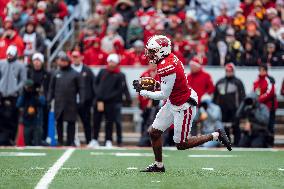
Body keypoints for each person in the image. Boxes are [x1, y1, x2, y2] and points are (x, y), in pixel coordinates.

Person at [133, 35, 231, 172]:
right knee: (154, 132)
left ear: (161, 51)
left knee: (181, 144)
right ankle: (158, 166)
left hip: (183, 105)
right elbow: (167, 86)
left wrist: (145, 93)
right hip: (173, 100)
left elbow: (164, 94)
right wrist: (153, 84)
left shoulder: (166, 65)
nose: (149, 54)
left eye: (152, 51)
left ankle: (216, 135)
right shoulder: (166, 59)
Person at [47, 51, 84, 146]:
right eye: (61, 61)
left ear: (68, 62)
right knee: (59, 122)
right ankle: (59, 141)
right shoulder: (56, 73)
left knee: (71, 122)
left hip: (71, 102)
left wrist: (81, 100)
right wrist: (49, 99)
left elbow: (81, 88)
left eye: (64, 61)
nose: (62, 63)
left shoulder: (75, 74)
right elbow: (51, 88)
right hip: (59, 102)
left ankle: (70, 141)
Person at [91, 54, 127, 148]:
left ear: (116, 63)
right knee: (96, 121)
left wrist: (106, 98)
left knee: (109, 122)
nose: (111, 64)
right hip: (99, 101)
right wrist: (99, 96)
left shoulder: (119, 75)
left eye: (113, 62)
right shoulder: (102, 71)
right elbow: (95, 83)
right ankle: (94, 139)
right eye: (110, 61)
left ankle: (108, 140)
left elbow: (118, 90)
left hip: (110, 103)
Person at [0, 45, 27, 145]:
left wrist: (15, 89)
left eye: (11, 54)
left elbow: (23, 81)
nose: (9, 56)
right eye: (8, 54)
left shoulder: (21, 66)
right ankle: (2, 139)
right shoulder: (1, 63)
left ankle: (11, 139)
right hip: (2, 95)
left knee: (12, 118)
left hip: (14, 96)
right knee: (1, 118)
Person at [213, 63, 245, 145]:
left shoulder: (238, 82)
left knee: (236, 127)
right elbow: (215, 97)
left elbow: (242, 98)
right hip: (222, 110)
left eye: (230, 70)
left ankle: (238, 144)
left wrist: (240, 110)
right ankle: (227, 143)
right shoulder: (220, 82)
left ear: (233, 71)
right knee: (224, 128)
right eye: (227, 70)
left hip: (235, 110)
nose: (229, 72)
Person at [71, 50, 96, 145]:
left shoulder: (87, 70)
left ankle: (89, 140)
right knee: (72, 122)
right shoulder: (69, 69)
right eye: (73, 56)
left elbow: (93, 84)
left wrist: (93, 98)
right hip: (72, 100)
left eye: (77, 56)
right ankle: (73, 140)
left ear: (81, 57)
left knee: (86, 122)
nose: (75, 59)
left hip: (85, 101)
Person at [27, 53, 50, 142]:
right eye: (35, 60)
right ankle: (31, 139)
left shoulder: (47, 73)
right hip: (31, 99)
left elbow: (49, 87)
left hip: (43, 99)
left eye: (38, 60)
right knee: (30, 119)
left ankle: (43, 138)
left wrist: (47, 98)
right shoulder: (29, 72)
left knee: (44, 119)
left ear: (42, 62)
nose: (36, 62)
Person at [253, 64, 278, 146]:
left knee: (270, 125)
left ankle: (270, 142)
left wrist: (259, 99)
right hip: (260, 108)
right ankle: (263, 142)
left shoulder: (270, 80)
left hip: (270, 107)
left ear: (266, 71)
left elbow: (270, 93)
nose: (261, 72)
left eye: (263, 70)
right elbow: (255, 92)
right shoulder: (257, 81)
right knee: (262, 125)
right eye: (260, 70)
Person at [16, 80, 46, 146]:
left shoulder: (37, 95)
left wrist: (39, 93)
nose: (28, 89)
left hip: (37, 123)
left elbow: (42, 103)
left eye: (30, 87)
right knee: (27, 143)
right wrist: (24, 94)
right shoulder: (24, 96)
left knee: (37, 143)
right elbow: (18, 104)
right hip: (27, 123)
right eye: (27, 87)